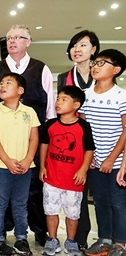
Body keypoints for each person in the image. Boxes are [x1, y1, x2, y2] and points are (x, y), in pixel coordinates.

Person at [0, 25, 55, 247]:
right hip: (2, 141)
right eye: (9, 38)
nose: (12, 41)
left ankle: (38, 232)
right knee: (0, 195)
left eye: (18, 37)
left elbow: (50, 106)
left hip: (33, 140)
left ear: (28, 42)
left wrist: (47, 139)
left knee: (33, 189)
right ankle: (0, 235)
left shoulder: (41, 69)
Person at [0, 73, 40, 256]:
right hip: (1, 166)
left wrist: (27, 159)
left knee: (20, 204)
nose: (3, 85)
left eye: (8, 82)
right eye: (1, 83)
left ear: (20, 90)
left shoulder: (29, 112)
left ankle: (21, 238)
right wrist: (8, 161)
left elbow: (34, 138)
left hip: (25, 167)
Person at [79, 50, 126, 256]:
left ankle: (121, 243)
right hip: (94, 161)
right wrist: (89, 157)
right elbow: (83, 127)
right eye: (94, 62)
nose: (95, 66)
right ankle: (104, 239)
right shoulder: (85, 95)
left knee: (118, 203)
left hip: (116, 161)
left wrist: (111, 159)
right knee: (100, 201)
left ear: (116, 70)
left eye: (102, 63)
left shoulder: (121, 96)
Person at [38, 86, 94, 256]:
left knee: (73, 213)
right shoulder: (50, 124)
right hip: (52, 178)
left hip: (73, 180)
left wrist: (83, 170)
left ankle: (71, 241)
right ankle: (52, 240)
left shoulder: (83, 126)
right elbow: (44, 146)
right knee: (50, 210)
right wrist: (42, 166)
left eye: (64, 99)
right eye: (58, 99)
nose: (58, 102)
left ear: (76, 105)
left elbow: (89, 150)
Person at [56, 30, 99, 250]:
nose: (77, 49)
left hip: (103, 140)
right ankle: (80, 239)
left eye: (82, 45)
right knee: (78, 194)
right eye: (74, 45)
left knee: (103, 195)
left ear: (93, 49)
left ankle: (108, 238)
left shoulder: (103, 74)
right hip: (74, 142)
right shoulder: (64, 78)